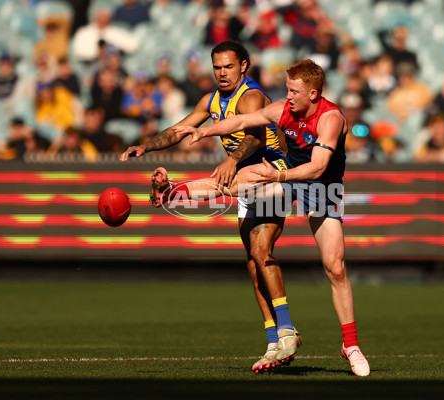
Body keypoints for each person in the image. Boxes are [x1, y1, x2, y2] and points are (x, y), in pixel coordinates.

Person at [174, 59, 371, 377]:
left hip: (322, 188)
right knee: (243, 180)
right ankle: (173, 191)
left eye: (294, 91)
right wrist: (203, 131)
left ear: (314, 93)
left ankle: (351, 345)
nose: (288, 96)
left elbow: (319, 168)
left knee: (335, 267)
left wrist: (277, 178)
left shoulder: (331, 118)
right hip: (290, 177)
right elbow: (241, 122)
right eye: (287, 89)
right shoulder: (284, 109)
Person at [120, 40, 299, 374]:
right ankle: (274, 342)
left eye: (229, 66)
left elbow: (257, 135)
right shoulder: (212, 100)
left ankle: (288, 330)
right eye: (217, 67)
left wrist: (231, 159)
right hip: (245, 181)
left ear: (243, 66)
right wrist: (145, 147)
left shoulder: (251, 96)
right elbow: (181, 129)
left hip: (275, 174)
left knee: (261, 251)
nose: (222, 73)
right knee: (252, 263)